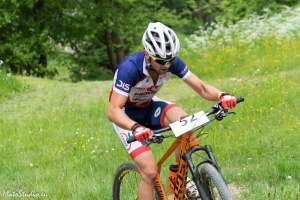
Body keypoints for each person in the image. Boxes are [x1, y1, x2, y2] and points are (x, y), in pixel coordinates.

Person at [107, 22, 237, 200]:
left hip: (149, 106)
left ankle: (179, 180)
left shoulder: (171, 62)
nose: (166, 65)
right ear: (148, 54)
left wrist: (222, 96)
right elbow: (113, 110)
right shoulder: (130, 68)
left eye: (170, 60)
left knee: (187, 124)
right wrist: (136, 127)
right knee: (150, 171)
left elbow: (202, 89)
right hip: (126, 118)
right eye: (161, 61)